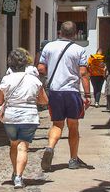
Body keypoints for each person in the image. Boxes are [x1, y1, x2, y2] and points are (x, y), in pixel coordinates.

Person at [38, 22, 92, 171]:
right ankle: (73, 159)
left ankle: (50, 147)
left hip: (55, 91)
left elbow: (41, 68)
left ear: (60, 32)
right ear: (75, 34)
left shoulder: (48, 47)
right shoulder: (79, 50)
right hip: (72, 92)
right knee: (73, 125)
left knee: (57, 124)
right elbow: (83, 73)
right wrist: (87, 95)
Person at [0, 48, 47, 189]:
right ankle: (19, 177)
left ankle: (15, 172)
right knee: (23, 147)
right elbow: (44, 101)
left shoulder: (6, 79)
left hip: (11, 117)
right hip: (29, 117)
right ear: (26, 63)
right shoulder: (34, 80)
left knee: (14, 144)